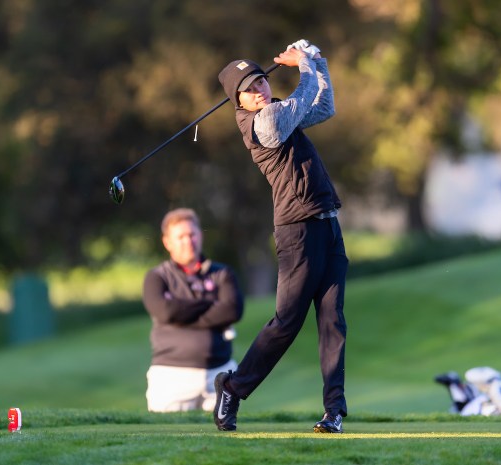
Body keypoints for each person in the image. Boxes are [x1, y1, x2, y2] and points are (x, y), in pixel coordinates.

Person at [213, 39, 348, 433]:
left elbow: (323, 106)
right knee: (287, 322)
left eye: (260, 82)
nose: (259, 89)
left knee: (332, 321)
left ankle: (333, 411)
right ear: (238, 101)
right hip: (297, 232)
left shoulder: (278, 113)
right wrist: (305, 63)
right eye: (249, 89)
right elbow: (300, 99)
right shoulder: (263, 123)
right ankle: (234, 389)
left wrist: (318, 63)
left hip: (327, 223)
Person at [142, 208, 244, 412]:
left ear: (200, 236)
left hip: (220, 371)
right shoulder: (157, 277)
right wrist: (209, 303)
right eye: (180, 237)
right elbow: (165, 312)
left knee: (226, 437)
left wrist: (181, 309)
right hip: (171, 376)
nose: (188, 241)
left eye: (192, 234)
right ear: (167, 242)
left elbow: (232, 311)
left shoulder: (222, 273)